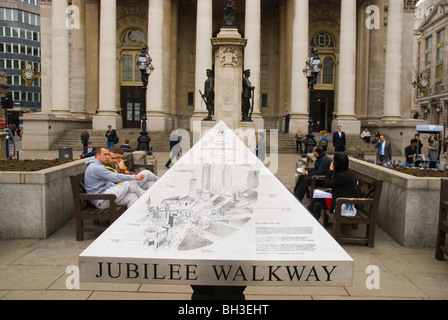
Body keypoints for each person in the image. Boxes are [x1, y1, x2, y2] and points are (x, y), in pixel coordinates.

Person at [307, 153, 356, 220]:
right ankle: (310, 216)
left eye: (333, 162)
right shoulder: (346, 172)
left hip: (341, 203)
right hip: (340, 199)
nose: (332, 163)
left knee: (317, 198)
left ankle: (308, 214)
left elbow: (327, 184)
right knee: (317, 203)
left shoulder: (341, 176)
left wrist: (330, 170)